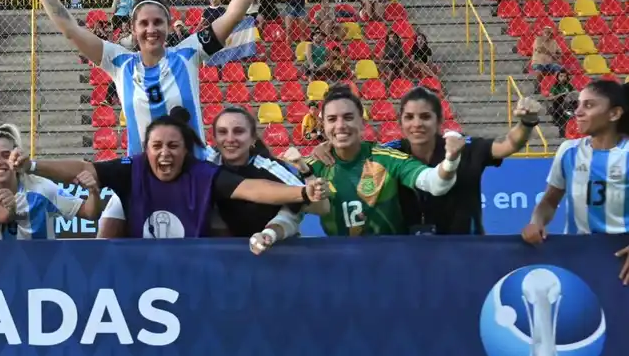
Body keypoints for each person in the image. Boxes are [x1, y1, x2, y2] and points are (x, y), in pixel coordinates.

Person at [19, 0, 275, 155]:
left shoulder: (189, 53)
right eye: (144, 23)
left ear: (167, 24)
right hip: (142, 179)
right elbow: (71, 30)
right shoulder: (119, 63)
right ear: (133, 28)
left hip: (195, 174)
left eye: (157, 22)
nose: (151, 29)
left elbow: (233, 13)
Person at [18, 109, 325, 244]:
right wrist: (33, 166)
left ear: (186, 151)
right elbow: (83, 168)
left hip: (191, 267)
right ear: (146, 150)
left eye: (173, 146)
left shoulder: (203, 172)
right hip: (142, 269)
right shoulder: (130, 167)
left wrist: (301, 193)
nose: (165, 153)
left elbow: (252, 189)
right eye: (157, 146)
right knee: (110, 221)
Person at [284, 86, 463, 237]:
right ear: (323, 125)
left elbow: (436, 184)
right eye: (332, 119)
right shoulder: (312, 166)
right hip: (340, 260)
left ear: (362, 122)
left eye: (348, 117)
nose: (340, 126)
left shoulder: (386, 158)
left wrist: (450, 161)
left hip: (390, 258)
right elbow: (285, 207)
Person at [382, 88, 539, 234]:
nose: (417, 124)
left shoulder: (465, 147)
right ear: (400, 122)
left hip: (465, 249)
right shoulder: (389, 155)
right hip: (405, 251)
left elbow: (509, 145)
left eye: (425, 117)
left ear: (439, 121)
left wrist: (526, 123)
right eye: (409, 117)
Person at [524, 80, 629, 243]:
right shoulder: (568, 151)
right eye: (578, 105)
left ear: (614, 114)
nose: (578, 112)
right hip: (577, 251)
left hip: (621, 252)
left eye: (589, 105)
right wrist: (536, 222)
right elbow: (550, 201)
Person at [206, 105, 325, 249]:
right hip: (231, 252)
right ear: (214, 138)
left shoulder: (269, 167)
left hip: (276, 250)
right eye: (222, 132)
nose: (230, 139)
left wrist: (307, 173)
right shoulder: (207, 165)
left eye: (239, 131)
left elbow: (318, 207)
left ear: (253, 138)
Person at [0, 124, 100, 239]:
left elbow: (89, 213)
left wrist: (93, 191)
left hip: (38, 272)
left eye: (5, 155)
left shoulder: (41, 188)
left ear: (16, 156)